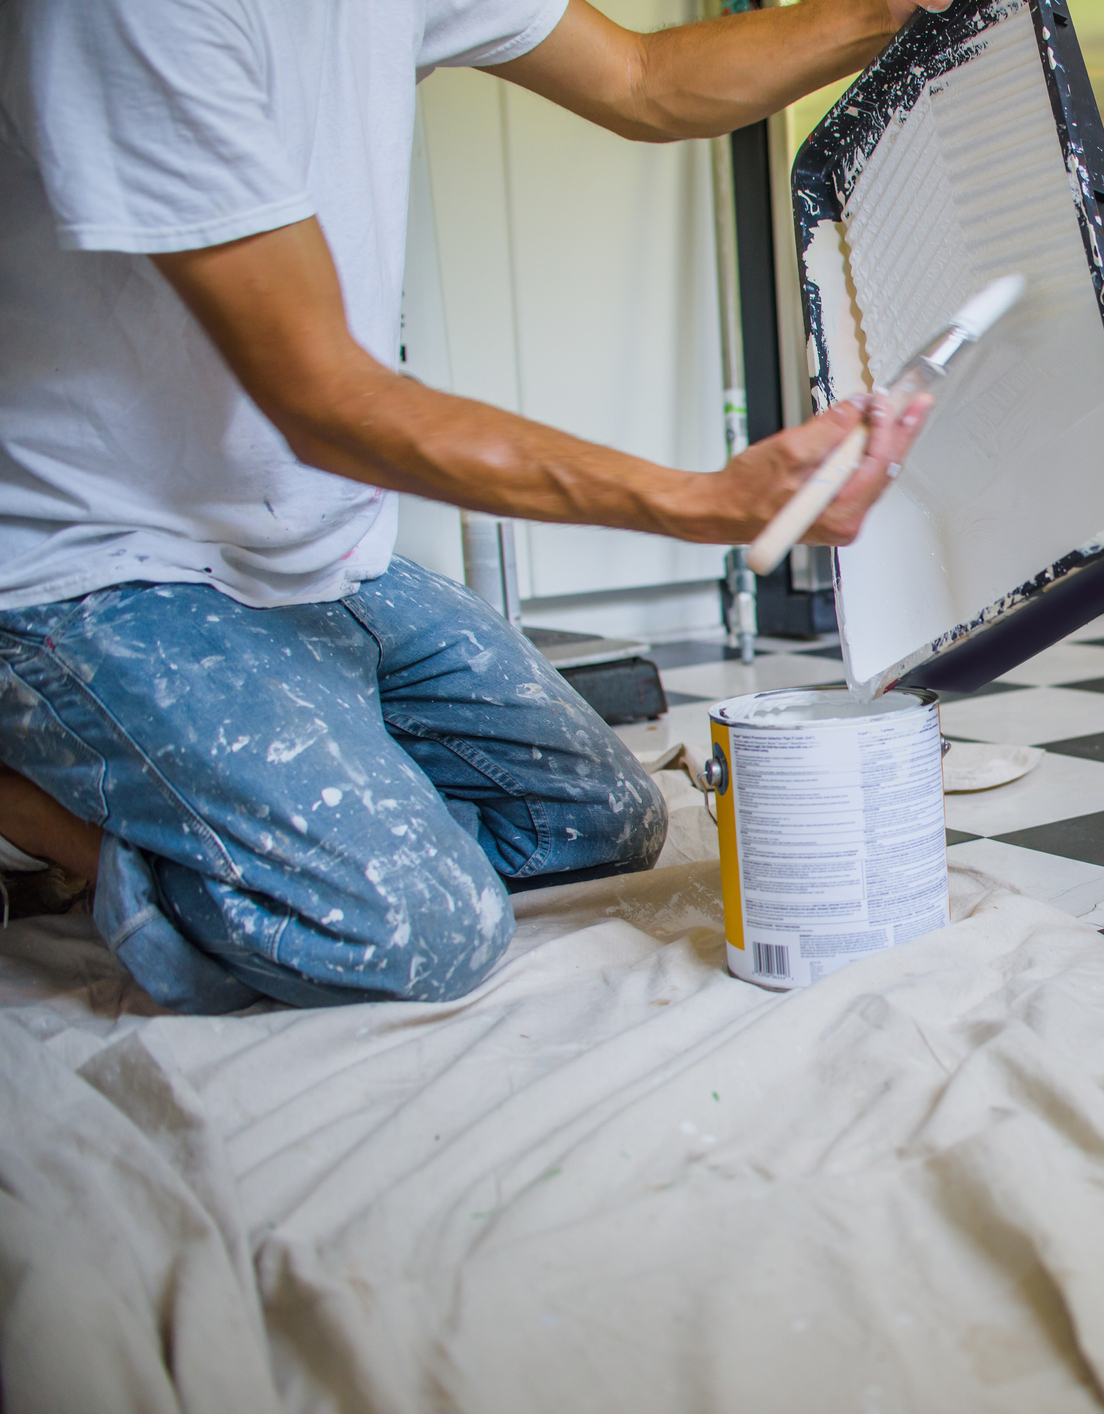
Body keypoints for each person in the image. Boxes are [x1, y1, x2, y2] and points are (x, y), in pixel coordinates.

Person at [0, 0, 946, 1013]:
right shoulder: (134, 14)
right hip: (88, 571)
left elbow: (641, 79)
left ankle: (246, 804)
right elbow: (327, 400)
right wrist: (702, 500)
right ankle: (51, 814)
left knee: (592, 826)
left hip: (307, 550)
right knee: (412, 935)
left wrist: (896, 9)